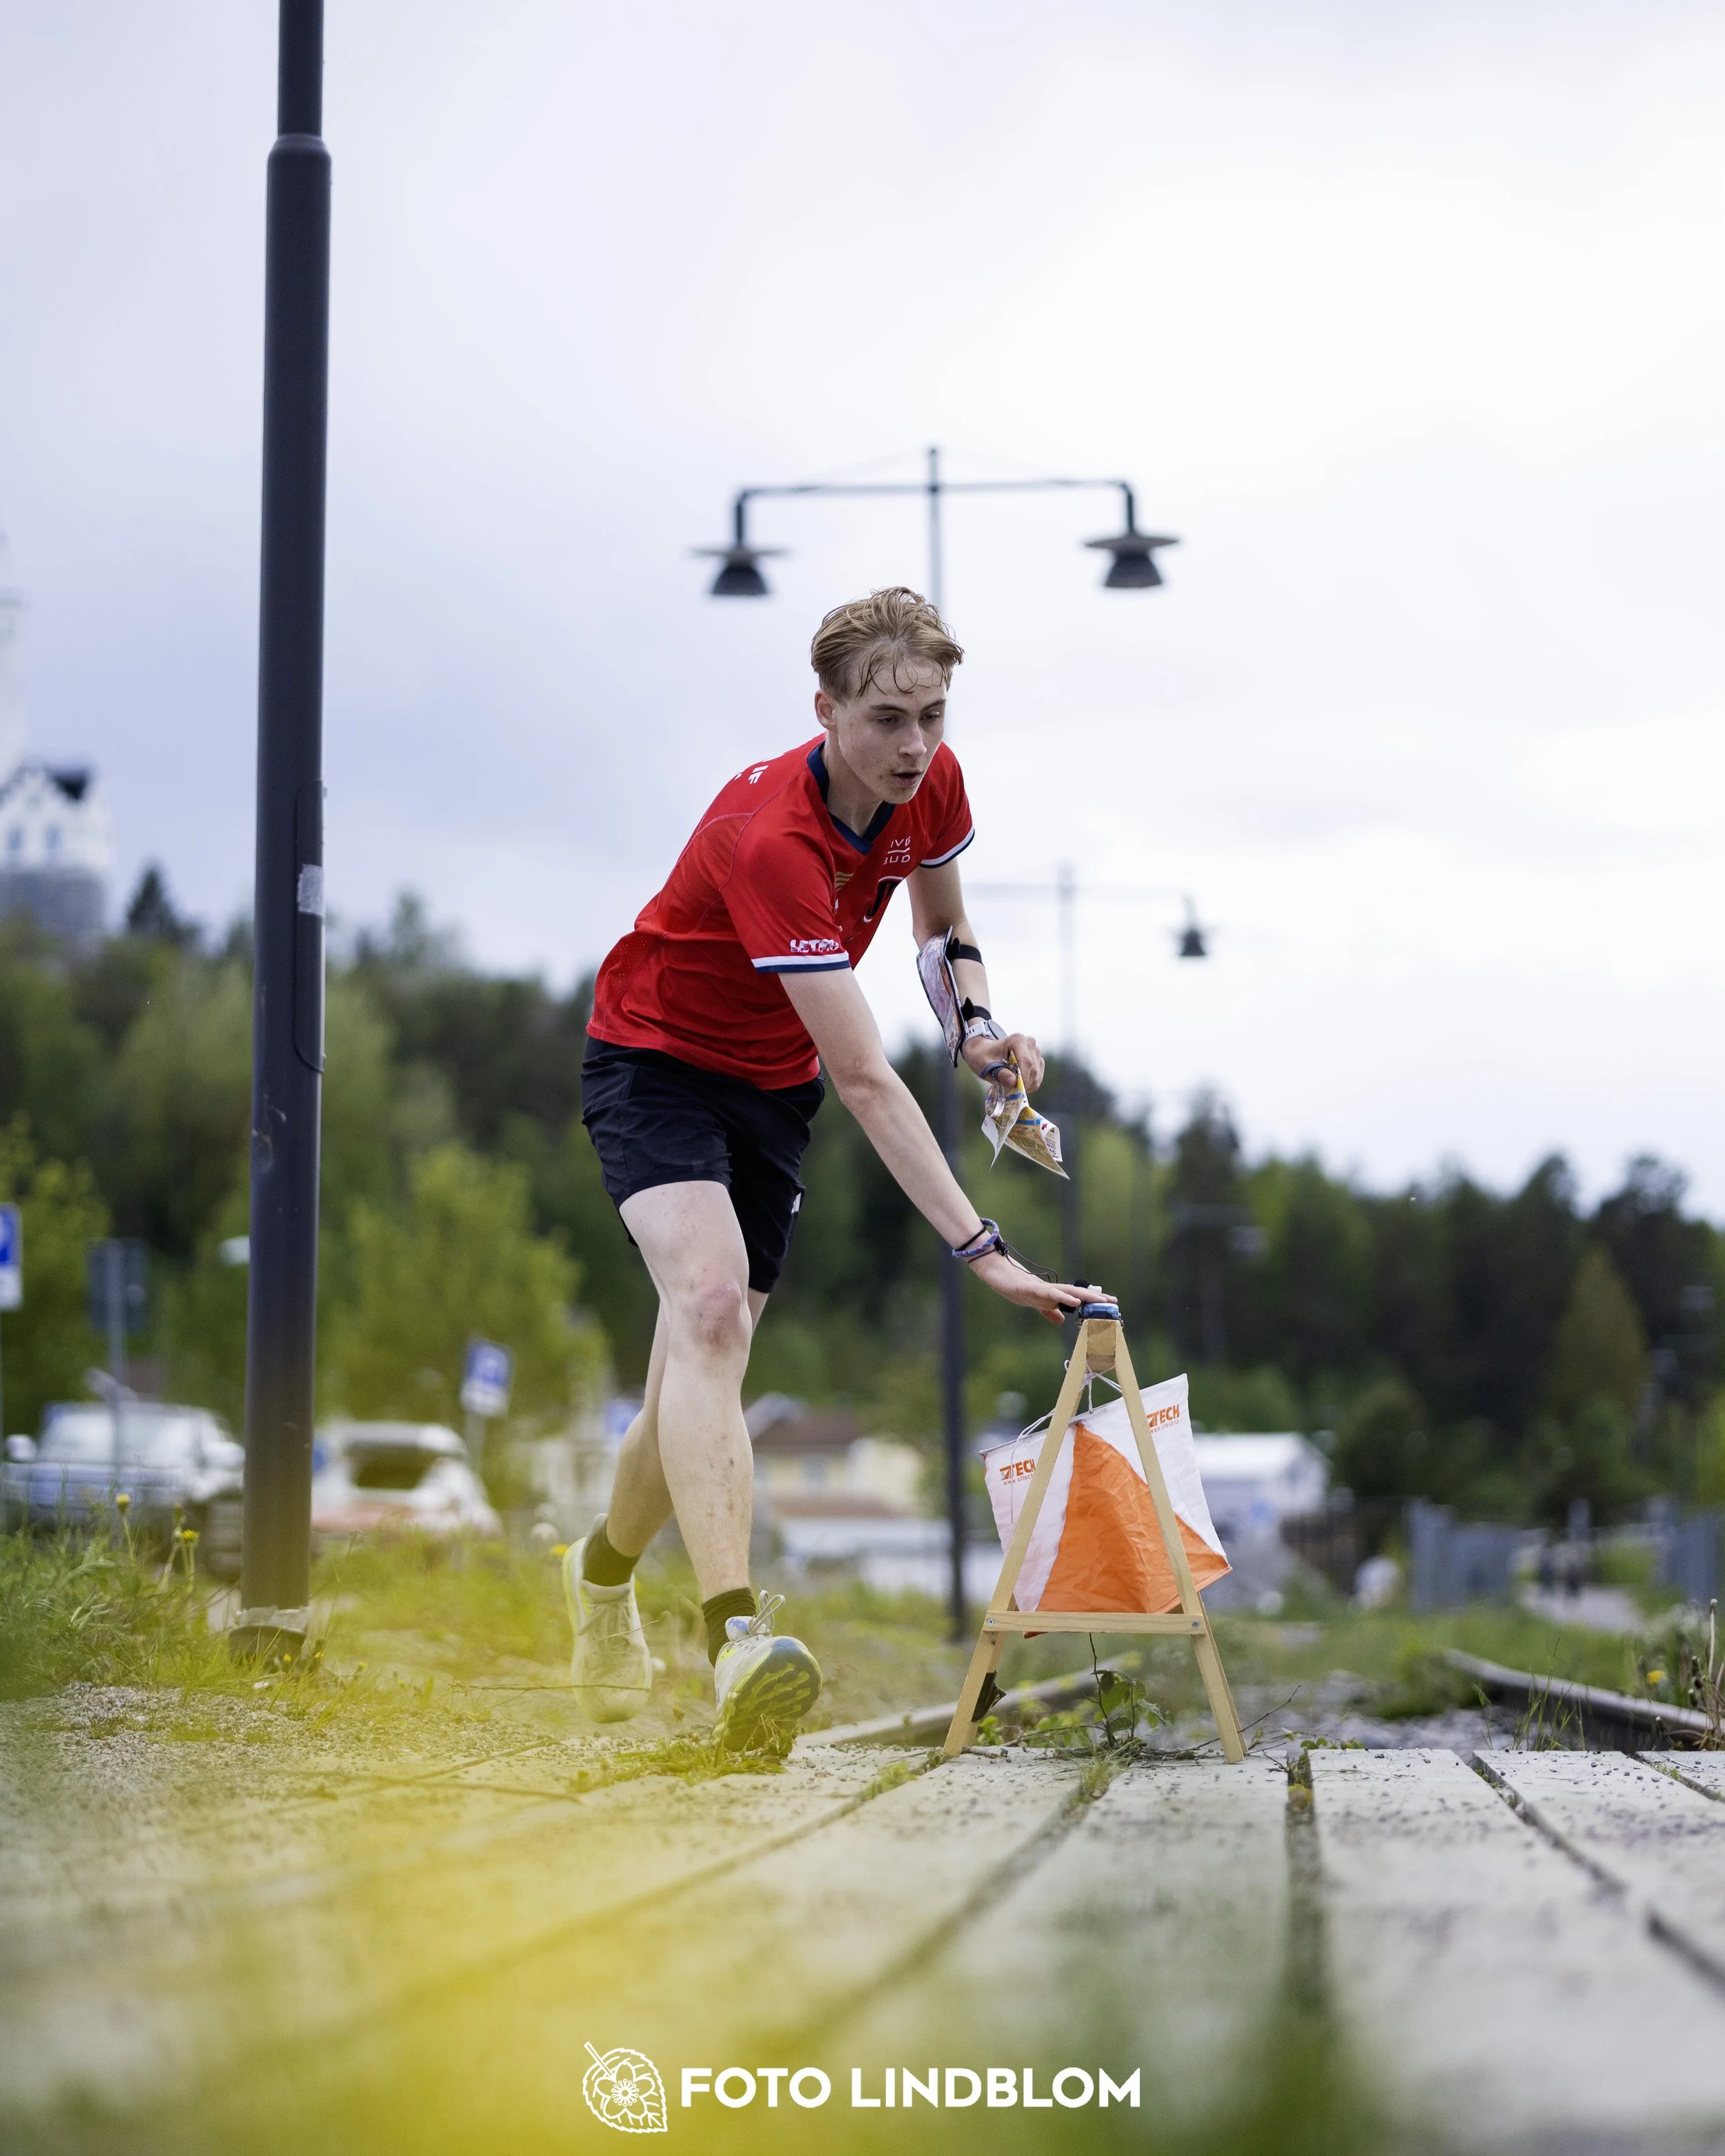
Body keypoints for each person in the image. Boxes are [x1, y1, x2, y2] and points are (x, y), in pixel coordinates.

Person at [568, 586, 1094, 1751]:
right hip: (654, 1062)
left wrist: (978, 1036)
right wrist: (984, 1252)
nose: (914, 746)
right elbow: (865, 1081)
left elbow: (939, 934)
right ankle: (737, 1643)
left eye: (933, 717)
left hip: (768, 1086)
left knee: (692, 1375)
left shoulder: (931, 782)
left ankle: (601, 1579)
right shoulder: (770, 838)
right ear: (827, 710)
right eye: (887, 720)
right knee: (708, 1315)